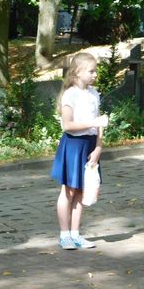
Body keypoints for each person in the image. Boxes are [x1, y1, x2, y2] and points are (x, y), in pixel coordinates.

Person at [50, 52, 109, 250]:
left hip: (90, 145)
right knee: (68, 191)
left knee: (83, 191)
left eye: (95, 71)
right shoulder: (70, 95)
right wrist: (93, 123)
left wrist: (99, 147)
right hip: (73, 145)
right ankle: (64, 235)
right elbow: (68, 125)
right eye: (91, 71)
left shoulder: (94, 93)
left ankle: (75, 234)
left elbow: (99, 123)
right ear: (77, 72)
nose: (95, 74)